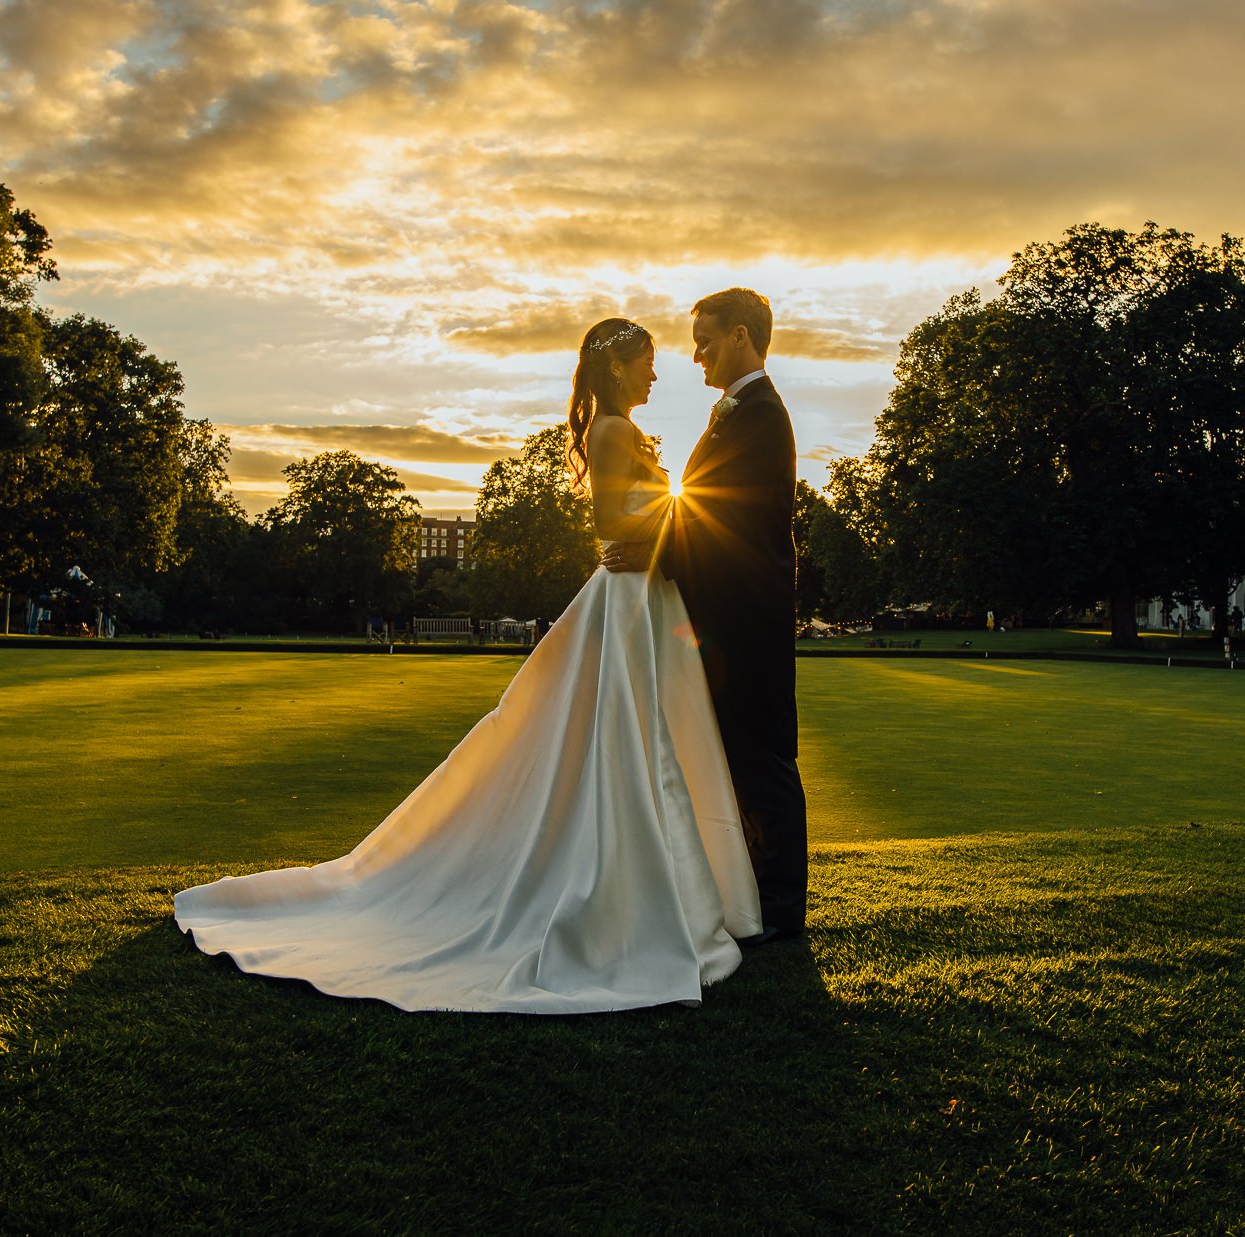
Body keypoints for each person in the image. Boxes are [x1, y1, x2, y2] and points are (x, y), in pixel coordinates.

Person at [173, 318, 761, 1013]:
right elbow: (611, 525)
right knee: (633, 745)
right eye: (647, 363)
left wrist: (669, 530)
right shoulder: (612, 432)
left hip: (645, 595)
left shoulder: (617, 429)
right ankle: (638, 899)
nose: (656, 375)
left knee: (644, 741)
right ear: (617, 368)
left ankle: (661, 889)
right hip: (631, 596)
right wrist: (679, 527)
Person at [605, 287, 806, 943]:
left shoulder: (762, 417)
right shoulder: (738, 414)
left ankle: (779, 908)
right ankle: (748, 892)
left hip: (747, 620)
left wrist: (650, 552)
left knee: (763, 756)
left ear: (743, 336)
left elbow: (719, 514)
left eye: (706, 341)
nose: (696, 356)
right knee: (738, 757)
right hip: (725, 617)